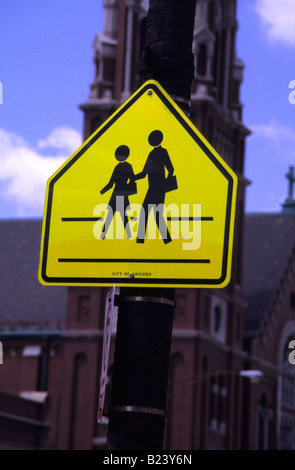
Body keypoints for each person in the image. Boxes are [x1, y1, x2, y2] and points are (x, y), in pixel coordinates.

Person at [134, 130, 175, 244]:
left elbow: (171, 169)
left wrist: (164, 184)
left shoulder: (163, 152)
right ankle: (140, 242)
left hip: (158, 189)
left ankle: (166, 241)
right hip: (151, 189)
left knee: (155, 214)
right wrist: (132, 178)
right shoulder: (151, 154)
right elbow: (144, 173)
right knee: (146, 213)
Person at [100, 145, 135, 239]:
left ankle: (129, 236)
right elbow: (111, 183)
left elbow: (132, 180)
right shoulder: (118, 167)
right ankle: (103, 236)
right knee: (114, 216)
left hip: (120, 194)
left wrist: (102, 192)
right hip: (118, 194)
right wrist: (101, 192)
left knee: (118, 216)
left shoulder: (125, 166)